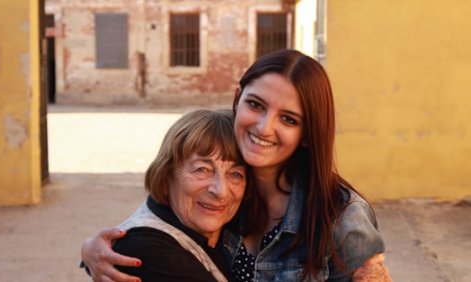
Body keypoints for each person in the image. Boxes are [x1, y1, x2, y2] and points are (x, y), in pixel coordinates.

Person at [81, 49, 391, 281]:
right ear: (237, 99)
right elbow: (160, 216)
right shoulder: (225, 189)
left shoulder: (341, 215)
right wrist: (94, 249)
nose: (264, 128)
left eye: (288, 119)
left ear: (307, 134)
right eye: (256, 105)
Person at [81, 109, 248, 281]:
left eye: (236, 174)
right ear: (166, 175)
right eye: (202, 170)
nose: (221, 191)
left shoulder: (240, 227)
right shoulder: (146, 250)